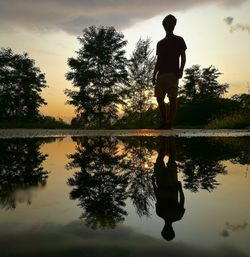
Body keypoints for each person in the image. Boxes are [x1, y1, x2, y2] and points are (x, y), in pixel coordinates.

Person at [152, 15, 187, 129]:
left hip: (173, 73)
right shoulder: (160, 43)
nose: (169, 26)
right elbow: (158, 60)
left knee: (172, 97)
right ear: (164, 26)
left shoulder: (179, 40)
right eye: (167, 24)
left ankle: (170, 122)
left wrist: (181, 70)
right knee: (159, 98)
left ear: (174, 25)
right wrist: (154, 75)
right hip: (161, 74)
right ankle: (164, 121)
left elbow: (183, 56)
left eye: (172, 23)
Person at [152, 137, 185, 241]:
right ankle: (169, 139)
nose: (167, 229)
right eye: (168, 231)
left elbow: (158, 196)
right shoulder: (176, 216)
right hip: (171, 185)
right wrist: (180, 188)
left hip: (162, 183)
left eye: (166, 231)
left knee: (160, 160)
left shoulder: (160, 213)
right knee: (171, 160)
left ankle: (166, 139)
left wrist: (153, 183)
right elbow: (182, 201)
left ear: (163, 229)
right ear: (171, 230)